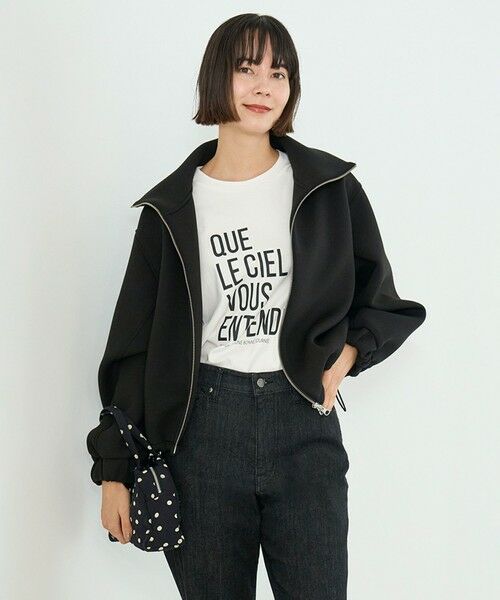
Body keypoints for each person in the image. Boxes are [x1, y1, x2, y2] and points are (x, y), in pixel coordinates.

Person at [86, 13, 426, 600]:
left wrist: (344, 358)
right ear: (216, 77)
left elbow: (383, 303)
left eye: (279, 73)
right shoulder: (170, 209)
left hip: (303, 425)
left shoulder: (328, 189)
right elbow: (133, 351)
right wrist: (114, 473)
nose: (264, 87)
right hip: (201, 433)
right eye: (247, 69)